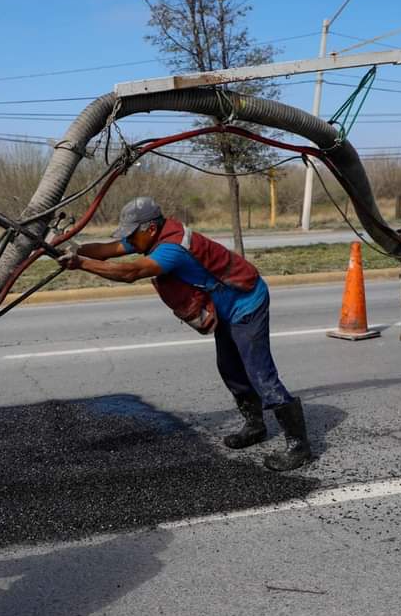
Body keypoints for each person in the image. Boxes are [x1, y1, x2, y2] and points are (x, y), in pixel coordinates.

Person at [60, 196, 310, 472]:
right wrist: (73, 249)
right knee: (229, 368)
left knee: (260, 374)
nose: (129, 241)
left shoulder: (172, 248)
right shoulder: (150, 236)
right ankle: (255, 426)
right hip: (224, 306)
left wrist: (80, 264)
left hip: (246, 302)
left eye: (132, 234)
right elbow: (108, 249)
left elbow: (130, 272)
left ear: (150, 229)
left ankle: (299, 446)